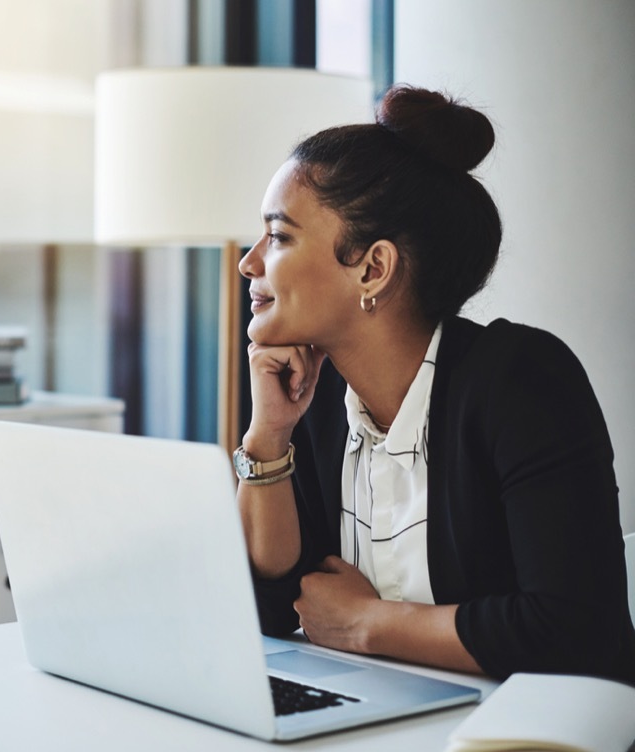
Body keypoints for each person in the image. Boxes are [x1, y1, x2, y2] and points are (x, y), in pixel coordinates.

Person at [235, 84, 635, 685]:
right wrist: (268, 437)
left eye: (281, 236)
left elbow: (577, 632)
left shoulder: (523, 380)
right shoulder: (314, 403)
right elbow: (267, 606)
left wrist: (371, 623)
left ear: (373, 267)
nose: (250, 261)